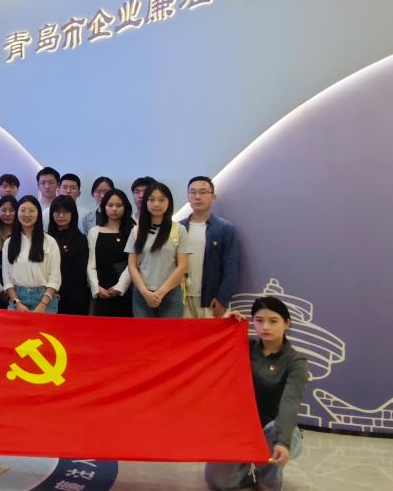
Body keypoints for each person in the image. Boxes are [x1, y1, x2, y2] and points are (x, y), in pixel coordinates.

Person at [207, 297, 308, 491]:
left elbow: (291, 402)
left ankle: (268, 478)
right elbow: (211, 351)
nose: (265, 327)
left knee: (272, 431)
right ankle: (249, 469)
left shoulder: (296, 362)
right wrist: (224, 325)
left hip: (279, 430)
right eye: (259, 320)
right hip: (243, 431)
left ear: (287, 323)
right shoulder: (243, 347)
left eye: (273, 321)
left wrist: (283, 441)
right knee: (217, 482)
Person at [125, 182, 191, 318]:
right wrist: (145, 292)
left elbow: (182, 265)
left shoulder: (179, 230)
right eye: (151, 200)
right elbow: (132, 265)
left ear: (169, 202)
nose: (156, 204)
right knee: (144, 332)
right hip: (142, 294)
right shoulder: (136, 231)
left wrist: (161, 292)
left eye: (161, 200)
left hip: (171, 293)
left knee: (169, 332)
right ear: (146, 202)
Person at [180, 176, 241, 319]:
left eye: (203, 192)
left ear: (213, 197)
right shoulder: (178, 228)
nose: (197, 197)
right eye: (193, 192)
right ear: (188, 197)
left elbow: (231, 267)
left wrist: (223, 299)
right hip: (181, 299)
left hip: (211, 300)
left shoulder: (225, 229)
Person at [2, 196, 61, 313]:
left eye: (31, 211)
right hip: (17, 298)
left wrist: (43, 305)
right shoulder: (9, 243)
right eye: (23, 210)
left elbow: (55, 277)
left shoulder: (50, 241)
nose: (27, 214)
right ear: (17, 213)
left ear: (38, 213)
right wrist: (17, 303)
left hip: (45, 298)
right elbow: (7, 278)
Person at [87, 189, 135, 317]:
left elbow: (133, 263)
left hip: (126, 291)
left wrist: (120, 287)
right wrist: (96, 287)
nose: (114, 209)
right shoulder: (94, 231)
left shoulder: (133, 231)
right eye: (110, 205)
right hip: (101, 291)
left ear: (125, 207)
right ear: (104, 207)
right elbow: (91, 264)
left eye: (119, 205)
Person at [48, 195, 90, 315]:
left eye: (66, 212)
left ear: (73, 214)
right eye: (57, 212)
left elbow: (79, 272)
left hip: (73, 298)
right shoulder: (45, 238)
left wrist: (59, 291)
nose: (61, 216)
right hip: (47, 296)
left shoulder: (81, 239)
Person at [0, 195, 18, 309]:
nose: (7, 214)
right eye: (3, 210)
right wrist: (0, 290)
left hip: (20, 290)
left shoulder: (22, 235)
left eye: (11, 210)